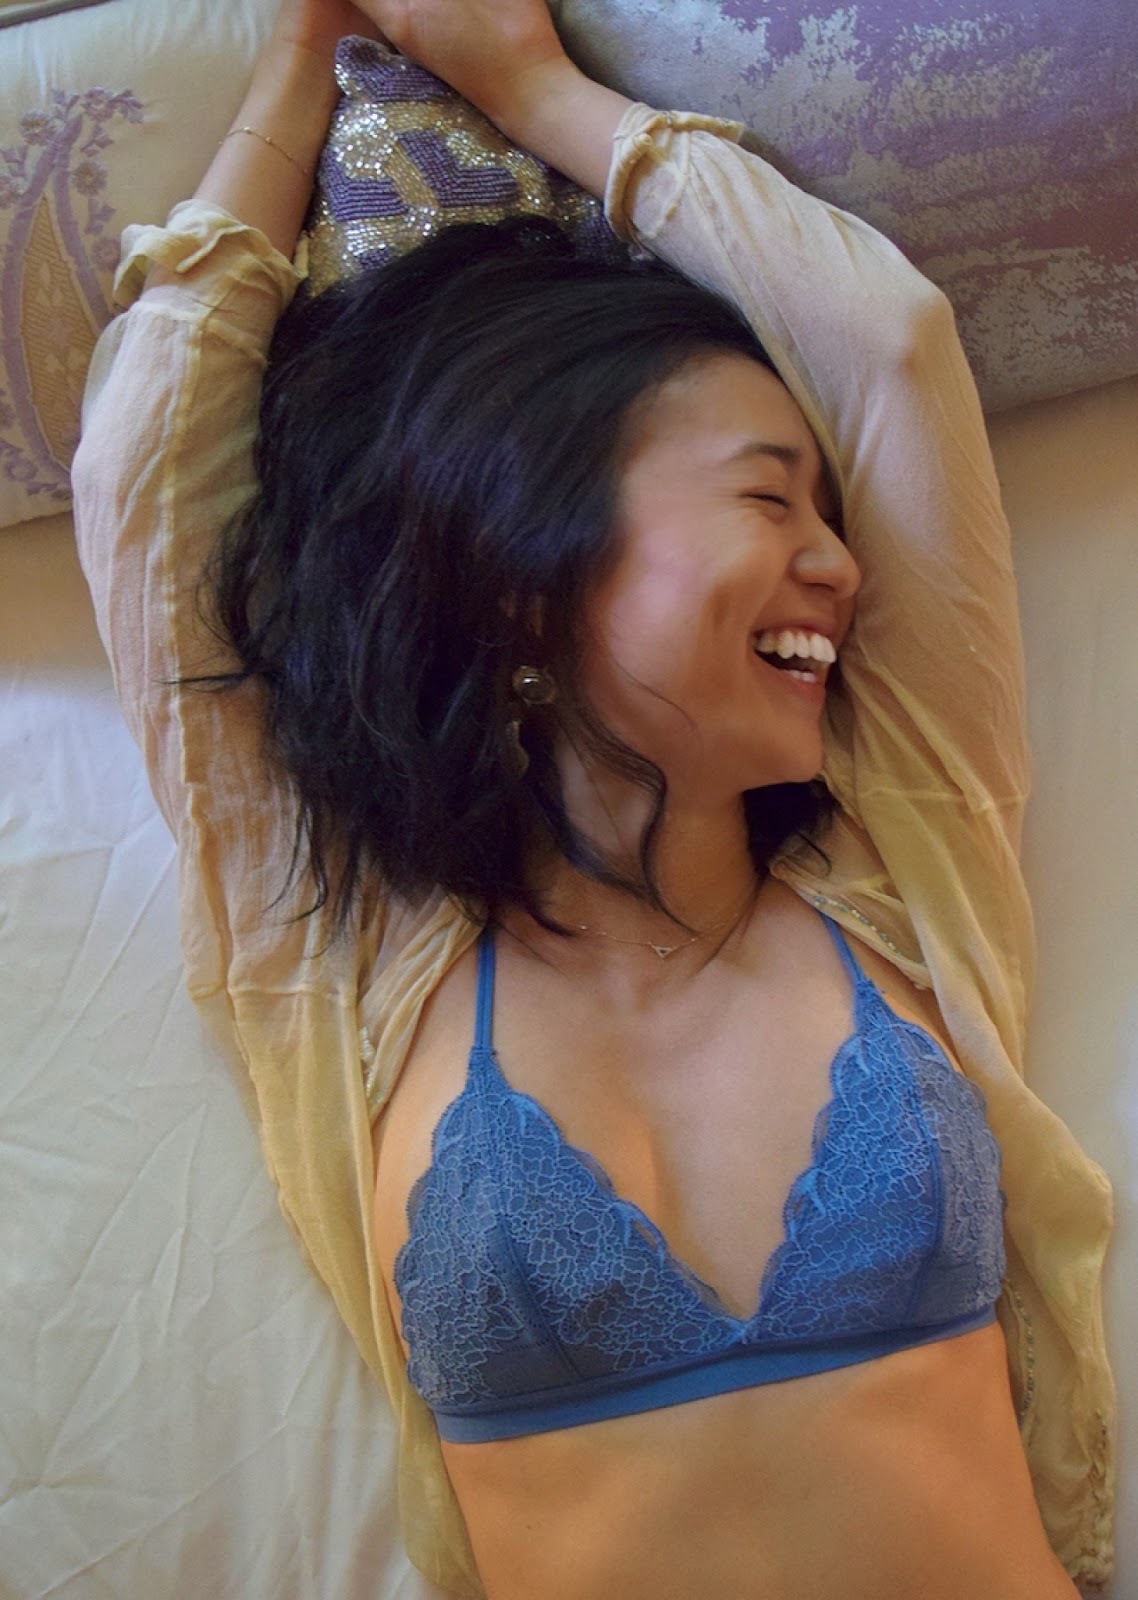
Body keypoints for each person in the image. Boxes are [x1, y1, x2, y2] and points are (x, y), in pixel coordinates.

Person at [72, 1, 1115, 1596]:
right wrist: (305, 44)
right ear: (522, 568)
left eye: (831, 513)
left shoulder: (901, 853)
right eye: (768, 497)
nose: (840, 567)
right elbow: (143, 472)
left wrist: (534, 87)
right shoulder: (349, 948)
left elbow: (889, 344)